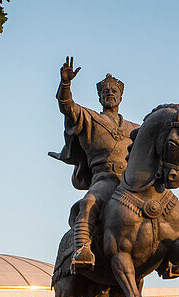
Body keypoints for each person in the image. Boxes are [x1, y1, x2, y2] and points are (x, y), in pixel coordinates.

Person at [49, 57, 140, 272]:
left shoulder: (135, 129)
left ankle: (171, 257)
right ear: (99, 96)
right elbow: (67, 107)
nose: (109, 93)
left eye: (114, 91)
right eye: (105, 91)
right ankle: (82, 249)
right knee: (89, 202)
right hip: (104, 179)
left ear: (121, 95)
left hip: (130, 182)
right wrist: (65, 85)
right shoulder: (89, 118)